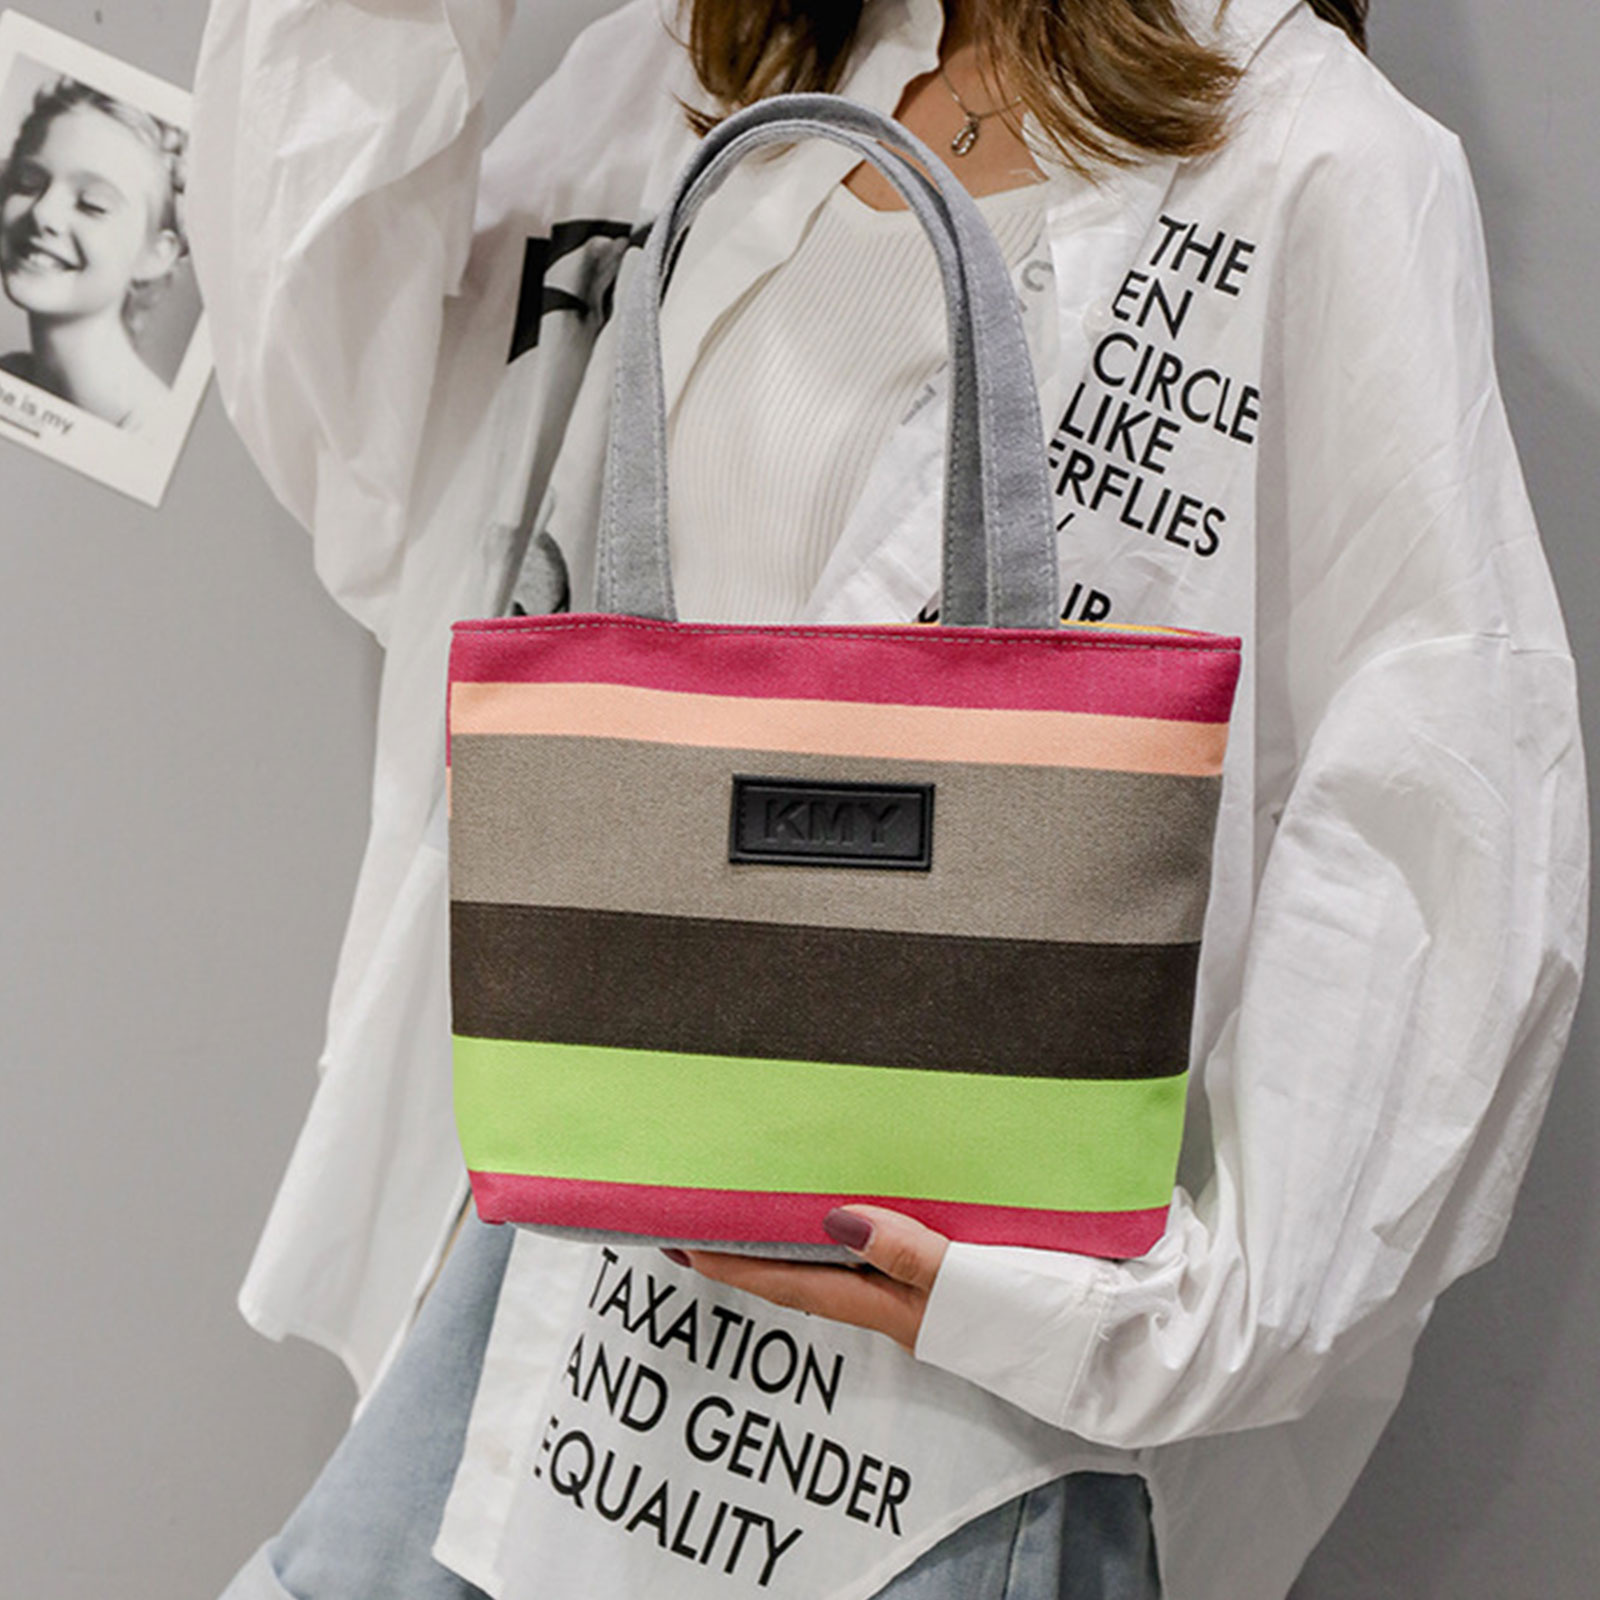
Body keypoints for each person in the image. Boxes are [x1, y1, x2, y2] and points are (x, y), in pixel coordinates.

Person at [187, 0, 1588, 1597]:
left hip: (942, 1422)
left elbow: (1440, 812)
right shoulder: (704, 68)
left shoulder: (1317, 160)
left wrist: (1146, 1320)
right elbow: (358, 431)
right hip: (547, 1293)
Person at [0, 75, 185, 429]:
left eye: (92, 205)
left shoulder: (154, 434)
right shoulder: (11, 377)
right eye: (28, 183)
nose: (43, 213)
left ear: (156, 256)